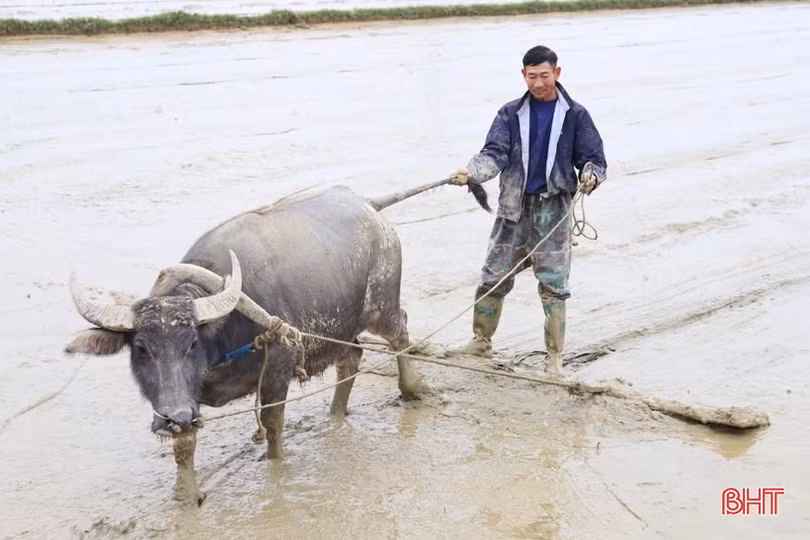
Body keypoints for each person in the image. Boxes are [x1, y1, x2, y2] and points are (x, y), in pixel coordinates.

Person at [448, 45, 607, 375]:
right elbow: (493, 154)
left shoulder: (576, 115)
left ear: (557, 74)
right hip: (513, 209)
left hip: (554, 214)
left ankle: (554, 359)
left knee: (554, 287)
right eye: (531, 77)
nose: (538, 83)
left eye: (544, 76)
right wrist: (471, 173)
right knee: (492, 277)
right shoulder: (509, 114)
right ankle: (480, 342)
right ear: (523, 75)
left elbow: (594, 159)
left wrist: (592, 175)